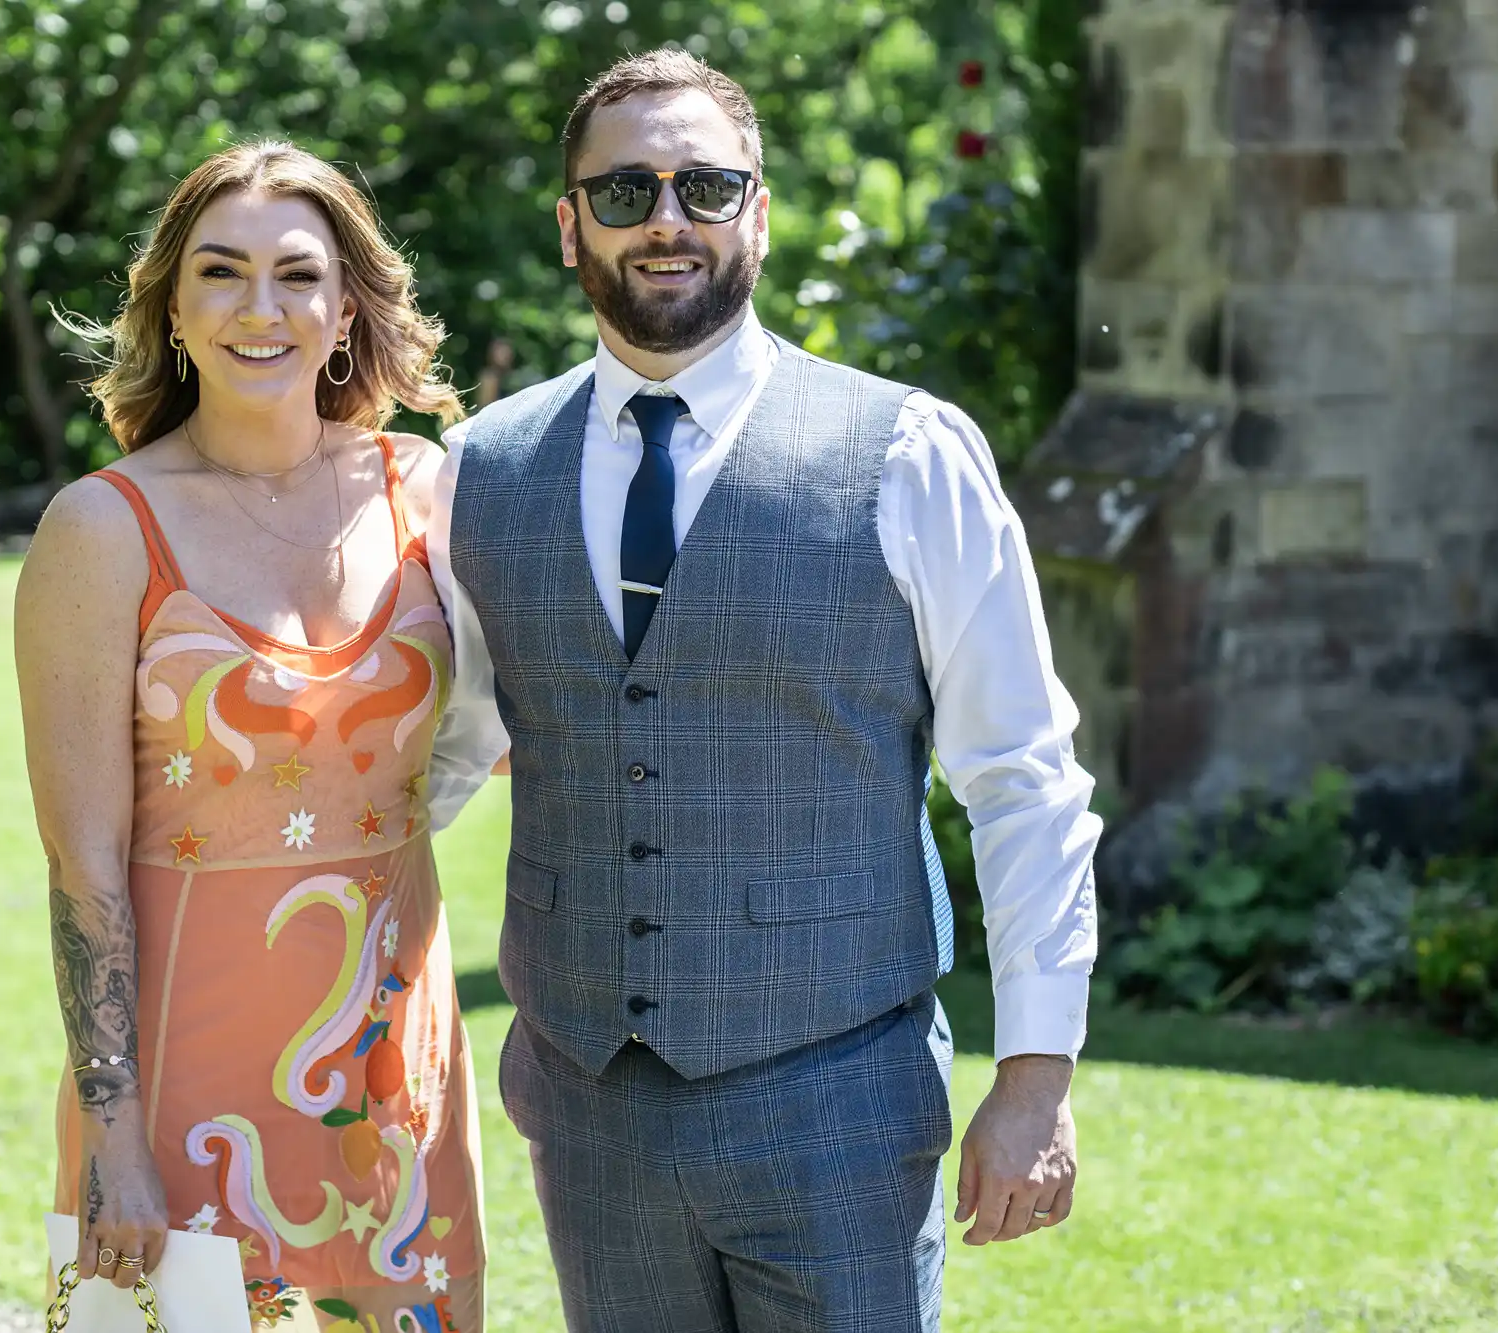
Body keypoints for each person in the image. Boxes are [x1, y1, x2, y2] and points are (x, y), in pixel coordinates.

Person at [424, 51, 1101, 1333]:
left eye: (705, 185)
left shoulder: (906, 453)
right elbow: (443, 755)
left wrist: (1035, 1072)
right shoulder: (479, 470)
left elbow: (1019, 774)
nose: (665, 218)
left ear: (759, 213)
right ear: (568, 226)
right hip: (587, 1108)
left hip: (837, 1097)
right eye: (622, 191)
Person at [16, 141, 486, 1331]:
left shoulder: (424, 491)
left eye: (296, 275)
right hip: (184, 1083)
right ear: (172, 308)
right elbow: (80, 865)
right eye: (221, 273)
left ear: (345, 309)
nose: (258, 308)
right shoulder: (101, 530)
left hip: (397, 1076)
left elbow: (533, 719)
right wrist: (112, 1134)